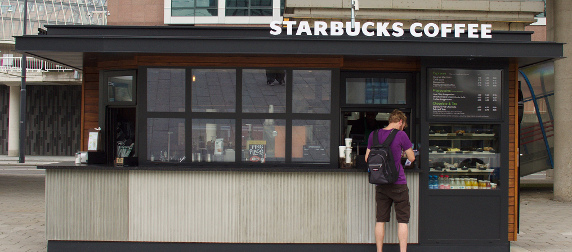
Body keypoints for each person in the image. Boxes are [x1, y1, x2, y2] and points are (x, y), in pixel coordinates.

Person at [364, 109, 415, 252]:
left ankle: (379, 251)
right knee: (403, 220)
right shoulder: (401, 135)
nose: (403, 127)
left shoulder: (374, 134)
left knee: (380, 220)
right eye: (403, 125)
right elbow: (412, 158)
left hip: (380, 183)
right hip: (398, 182)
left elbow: (367, 158)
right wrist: (401, 154)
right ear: (400, 121)